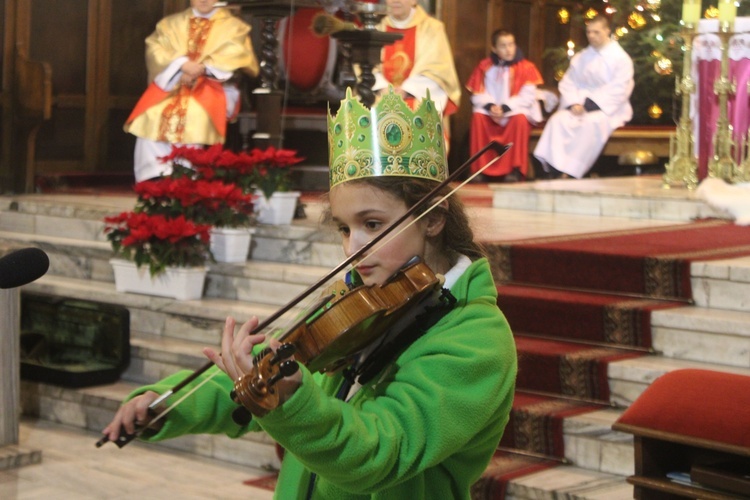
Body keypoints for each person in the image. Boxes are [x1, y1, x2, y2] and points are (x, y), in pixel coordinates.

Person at [102, 89, 517, 499]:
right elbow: (274, 370)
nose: (352, 248)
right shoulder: (357, 300)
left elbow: (380, 453)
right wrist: (166, 403)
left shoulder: (474, 338)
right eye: (344, 228)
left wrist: (293, 402)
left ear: (434, 219)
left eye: (372, 225)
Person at [124, 0, 259, 183]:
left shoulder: (235, 27)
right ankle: (155, 176)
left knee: (194, 115)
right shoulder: (170, 23)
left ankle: (189, 176)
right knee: (150, 114)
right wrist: (182, 65)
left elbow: (237, 55)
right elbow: (156, 49)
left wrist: (201, 69)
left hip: (213, 85)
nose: (203, 0)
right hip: (173, 84)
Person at [533, 15, 634, 179]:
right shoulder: (582, 57)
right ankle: (553, 168)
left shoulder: (621, 59)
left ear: (607, 31)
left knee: (590, 124)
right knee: (558, 120)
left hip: (606, 108)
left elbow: (620, 89)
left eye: (596, 32)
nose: (592, 36)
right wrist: (573, 103)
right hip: (578, 104)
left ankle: (572, 171)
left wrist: (588, 106)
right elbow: (568, 83)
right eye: (589, 32)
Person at [374, 0, 461, 136]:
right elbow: (363, 67)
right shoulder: (376, 28)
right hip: (381, 97)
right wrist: (382, 88)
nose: (395, 1)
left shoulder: (432, 28)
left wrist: (406, 90)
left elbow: (438, 70)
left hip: (418, 97)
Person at [466, 29, 544, 182]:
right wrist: (490, 106)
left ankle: (515, 169)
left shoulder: (527, 67)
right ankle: (479, 169)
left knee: (520, 119)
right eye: (503, 46)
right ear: (494, 48)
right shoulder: (484, 66)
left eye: (511, 44)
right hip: (492, 111)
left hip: (514, 110)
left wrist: (506, 107)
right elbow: (477, 93)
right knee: (478, 117)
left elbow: (527, 96)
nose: (509, 49)